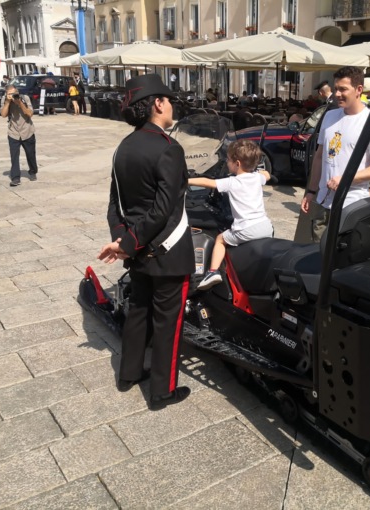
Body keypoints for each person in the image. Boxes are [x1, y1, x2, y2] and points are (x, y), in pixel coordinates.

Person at [98, 74, 194, 411]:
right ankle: (162, 392)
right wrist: (130, 242)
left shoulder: (123, 147)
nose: (173, 106)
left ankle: (129, 374)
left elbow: (115, 204)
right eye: (169, 100)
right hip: (168, 251)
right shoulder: (169, 148)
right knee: (168, 323)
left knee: (138, 311)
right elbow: (163, 209)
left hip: (137, 250)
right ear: (157, 103)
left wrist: (123, 240)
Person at [300, 66, 370, 242]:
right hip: (323, 203)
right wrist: (311, 191)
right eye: (336, 89)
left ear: (359, 89)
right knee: (318, 252)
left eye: (343, 89)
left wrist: (345, 179)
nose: (337, 94)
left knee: (344, 254)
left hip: (351, 206)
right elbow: (319, 156)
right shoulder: (329, 116)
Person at [188, 139, 273, 290]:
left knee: (220, 239)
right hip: (265, 227)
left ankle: (213, 272)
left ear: (237, 163)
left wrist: (186, 180)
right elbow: (267, 174)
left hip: (246, 228)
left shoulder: (233, 182)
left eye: (228, 159)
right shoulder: (257, 178)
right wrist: (261, 172)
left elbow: (209, 182)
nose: (227, 162)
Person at [1, 83, 38, 186]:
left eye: (14, 93)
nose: (13, 96)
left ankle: (33, 171)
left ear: (17, 92)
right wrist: (8, 102)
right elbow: (3, 114)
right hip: (13, 132)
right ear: (6, 94)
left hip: (27, 131)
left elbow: (30, 113)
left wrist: (20, 103)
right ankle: (15, 178)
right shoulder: (5, 99)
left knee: (31, 154)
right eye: (10, 94)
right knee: (14, 156)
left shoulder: (25, 98)